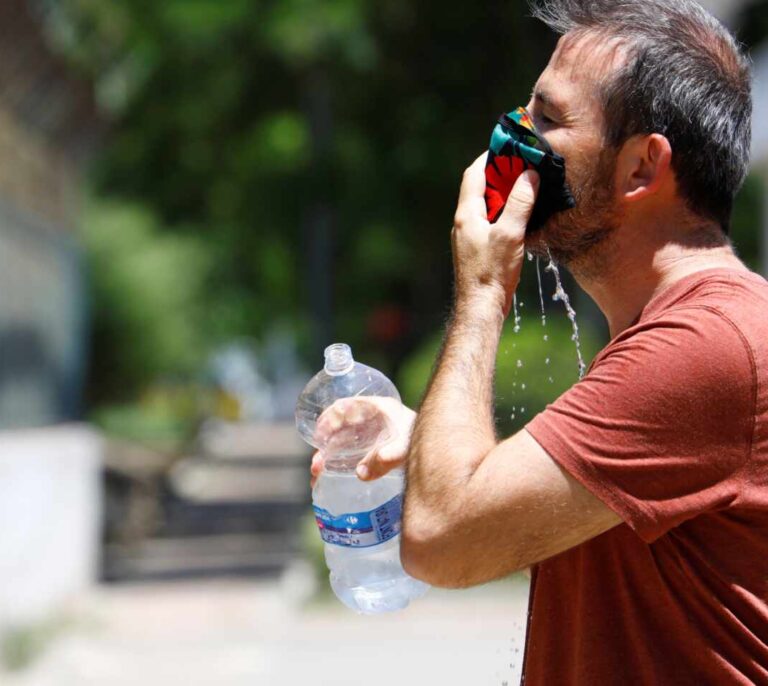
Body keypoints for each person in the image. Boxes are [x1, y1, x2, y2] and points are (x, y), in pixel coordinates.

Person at [311, 0, 767, 682]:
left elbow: (444, 541)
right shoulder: (678, 338)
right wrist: (425, 441)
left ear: (642, 167)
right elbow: (515, 512)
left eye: (548, 119)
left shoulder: (706, 346)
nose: (513, 134)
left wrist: (483, 289)